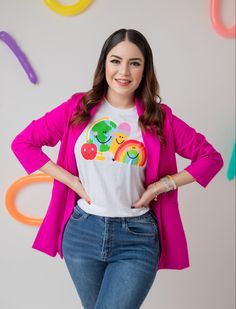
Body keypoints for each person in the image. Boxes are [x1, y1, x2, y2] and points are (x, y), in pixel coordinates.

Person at [11, 28, 224, 309]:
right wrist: (72, 182)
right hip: (82, 233)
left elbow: (210, 158)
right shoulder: (77, 108)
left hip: (136, 238)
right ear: (104, 64)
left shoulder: (159, 119)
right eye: (116, 60)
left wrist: (162, 185)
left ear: (144, 69)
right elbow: (23, 143)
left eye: (134, 62)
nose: (124, 71)